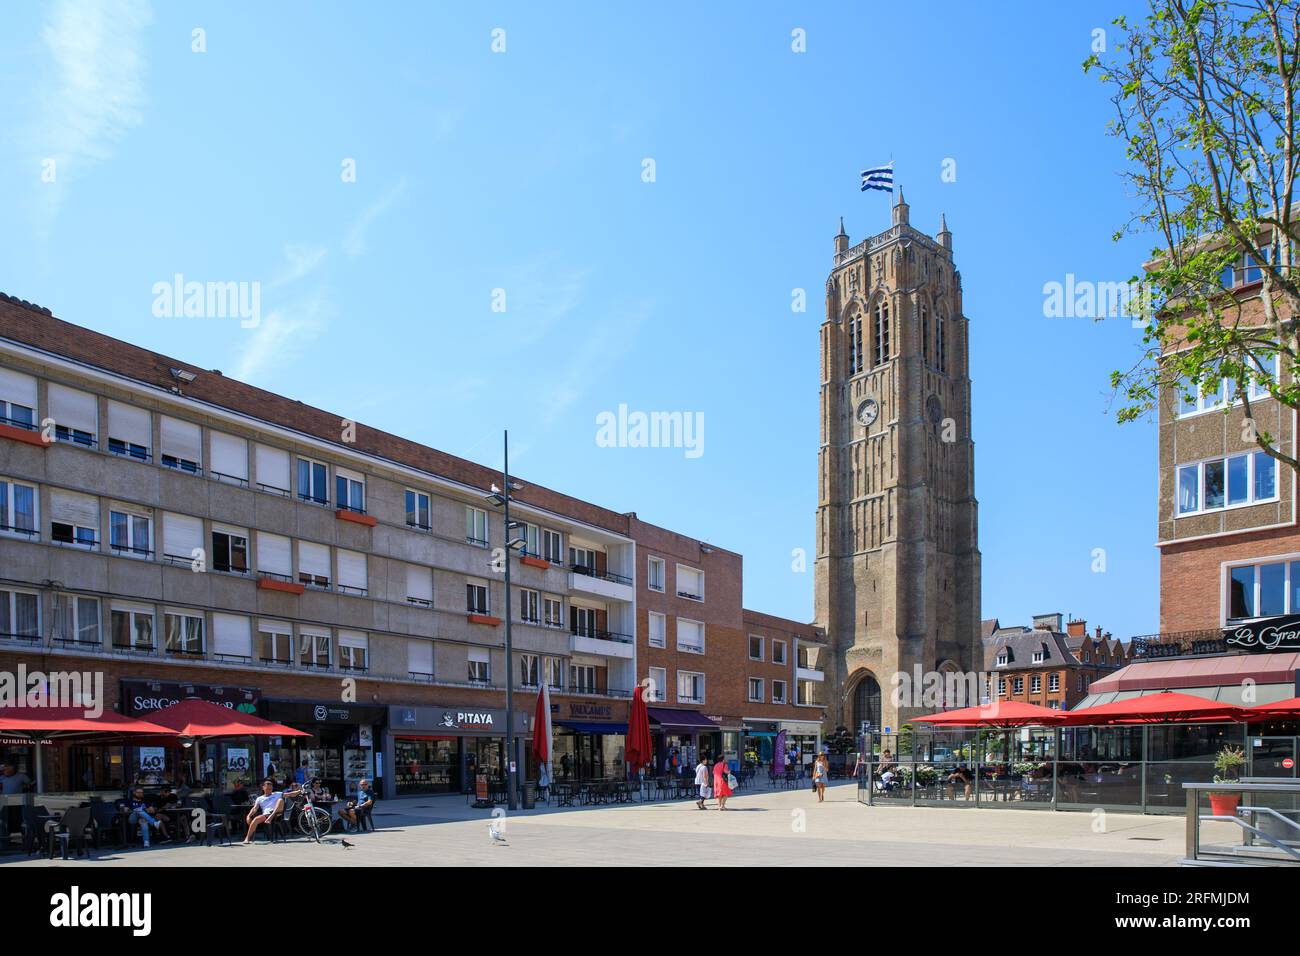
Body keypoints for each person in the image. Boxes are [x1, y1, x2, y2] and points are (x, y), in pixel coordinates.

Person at [242, 780, 285, 844]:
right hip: (266, 815)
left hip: (277, 814)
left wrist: (299, 791)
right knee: (255, 819)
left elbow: (290, 794)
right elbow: (254, 808)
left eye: (270, 789)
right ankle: (247, 838)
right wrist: (248, 815)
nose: (269, 790)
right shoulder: (259, 798)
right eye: (267, 788)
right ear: (263, 788)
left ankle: (271, 817)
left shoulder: (277, 794)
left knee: (280, 800)